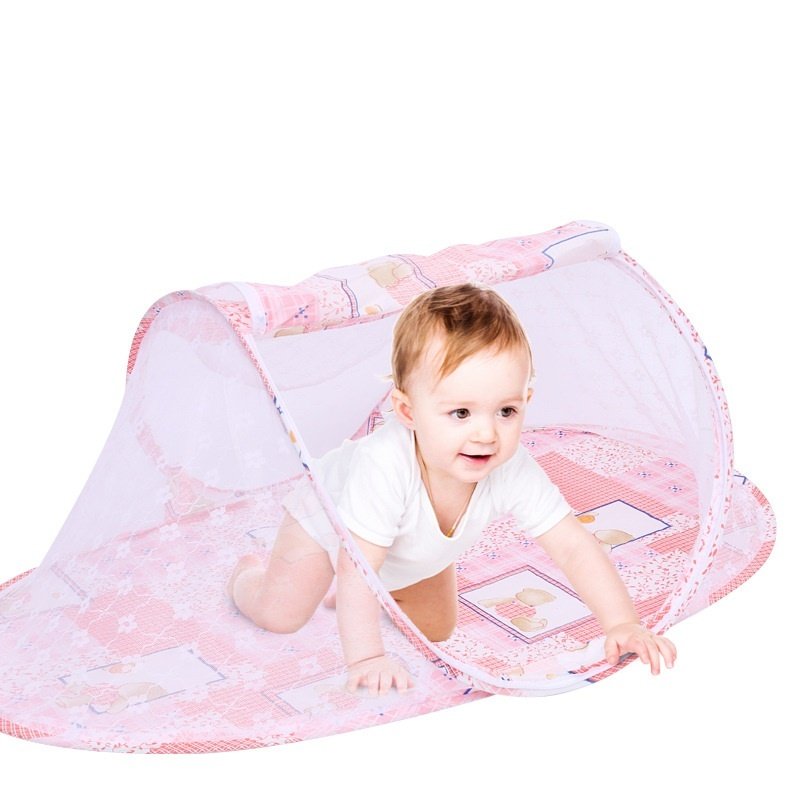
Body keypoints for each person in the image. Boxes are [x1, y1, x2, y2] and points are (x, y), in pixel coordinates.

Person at [227, 283, 677, 696]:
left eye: (506, 411)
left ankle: (360, 596)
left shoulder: (511, 467)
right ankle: (245, 578)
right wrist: (366, 657)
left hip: (406, 547)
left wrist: (622, 623)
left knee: (436, 628)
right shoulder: (382, 466)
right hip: (327, 526)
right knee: (280, 614)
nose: (486, 434)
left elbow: (574, 546)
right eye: (461, 413)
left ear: (526, 401)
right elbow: (357, 566)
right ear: (407, 411)